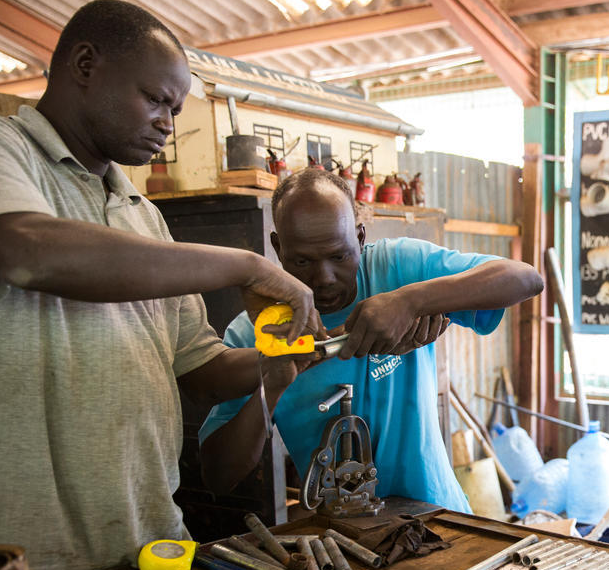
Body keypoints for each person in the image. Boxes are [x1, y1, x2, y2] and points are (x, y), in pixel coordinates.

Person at [0, 0, 316, 570]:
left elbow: (199, 371)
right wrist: (246, 266)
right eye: (155, 99)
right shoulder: (8, 153)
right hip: (29, 567)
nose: (168, 124)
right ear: (85, 65)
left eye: (176, 109)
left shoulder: (143, 215)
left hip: (151, 544)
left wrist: (286, 358)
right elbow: (29, 253)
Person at [199, 169, 543, 513]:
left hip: (440, 515)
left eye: (339, 256)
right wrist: (270, 386)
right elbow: (217, 476)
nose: (324, 278)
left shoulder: (398, 269)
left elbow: (525, 278)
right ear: (278, 247)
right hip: (340, 534)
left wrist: (411, 301)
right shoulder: (258, 332)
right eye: (302, 261)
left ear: (360, 237)